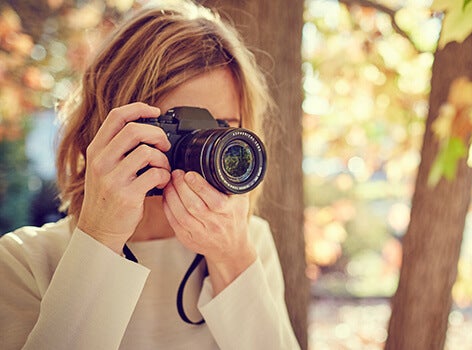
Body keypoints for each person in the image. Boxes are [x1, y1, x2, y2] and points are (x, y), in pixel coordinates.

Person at [0, 1, 300, 349]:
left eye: (222, 128)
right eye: (179, 126)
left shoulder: (250, 242)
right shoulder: (25, 262)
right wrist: (100, 238)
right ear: (107, 127)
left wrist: (232, 261)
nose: (208, 149)